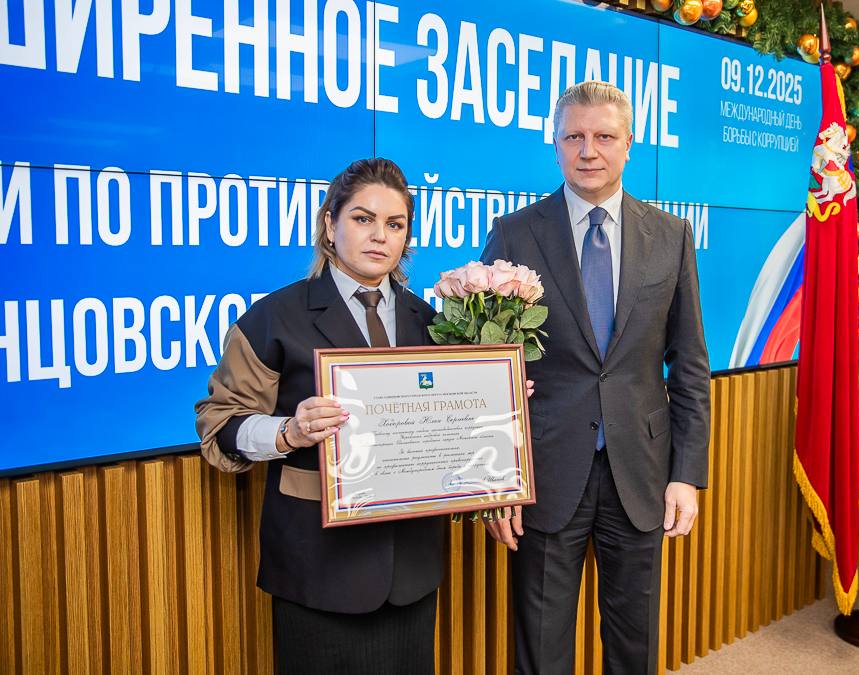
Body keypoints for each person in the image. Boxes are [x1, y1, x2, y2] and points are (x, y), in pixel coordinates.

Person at [480, 81, 711, 674]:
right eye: (573, 137)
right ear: (555, 144)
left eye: (604, 137)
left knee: (635, 645)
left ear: (629, 144)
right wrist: (496, 482)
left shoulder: (671, 236)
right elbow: (486, 370)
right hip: (545, 473)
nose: (589, 151)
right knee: (540, 647)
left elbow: (689, 364)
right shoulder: (514, 233)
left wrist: (686, 474)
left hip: (641, 472)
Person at [195, 158, 444, 674]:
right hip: (319, 567)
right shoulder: (274, 318)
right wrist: (288, 431)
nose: (379, 235)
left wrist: (498, 400)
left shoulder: (429, 323)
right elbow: (220, 424)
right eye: (362, 218)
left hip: (412, 568)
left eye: (394, 224)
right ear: (330, 225)